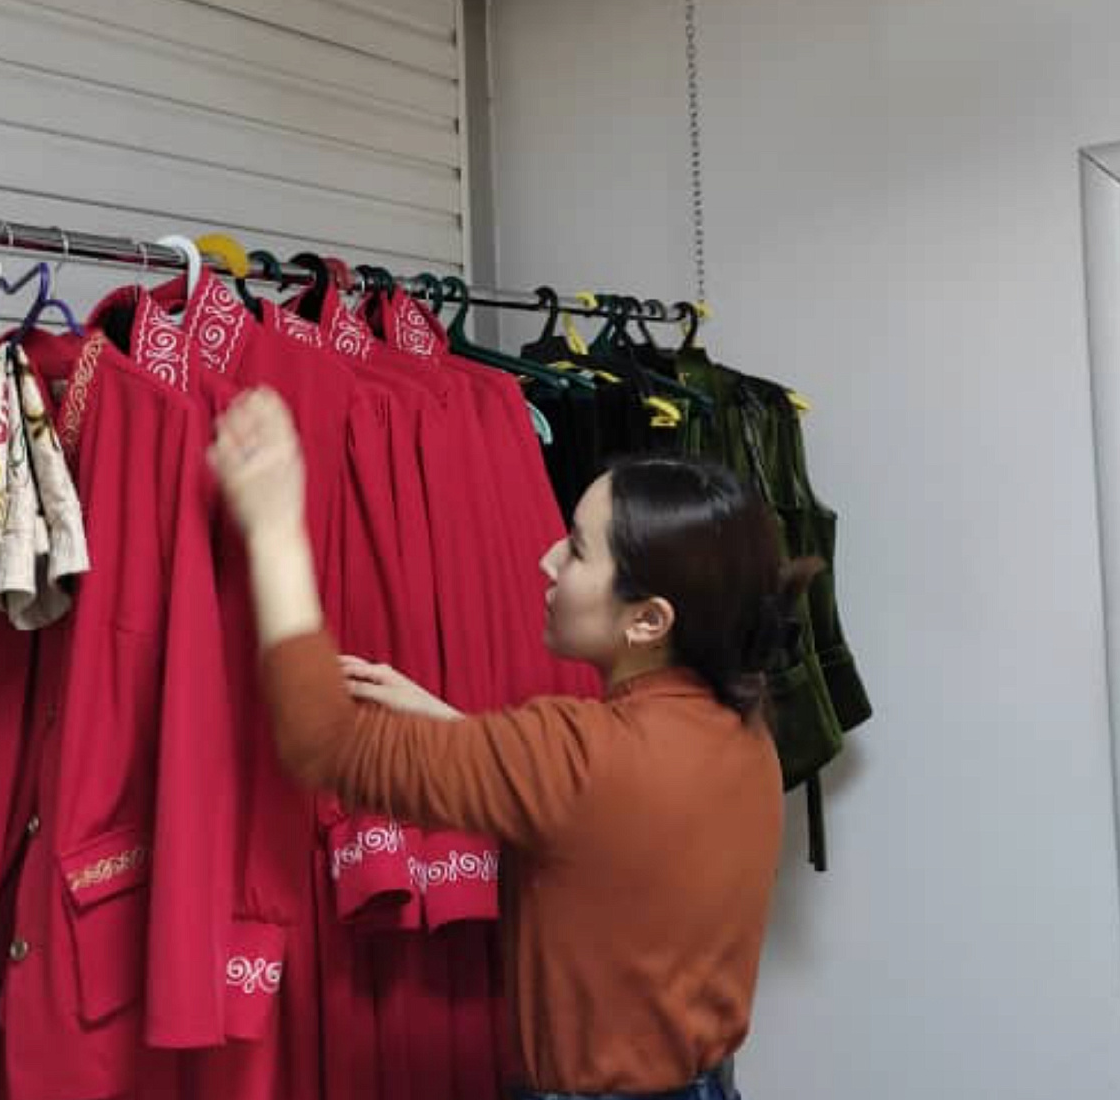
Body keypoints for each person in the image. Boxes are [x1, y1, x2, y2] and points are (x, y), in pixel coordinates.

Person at [209, 387, 817, 1100]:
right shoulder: (743, 733)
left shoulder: (578, 755)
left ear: (649, 621)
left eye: (578, 550)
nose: (548, 560)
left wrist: (274, 529)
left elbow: (320, 741)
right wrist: (451, 727)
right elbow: (602, 822)